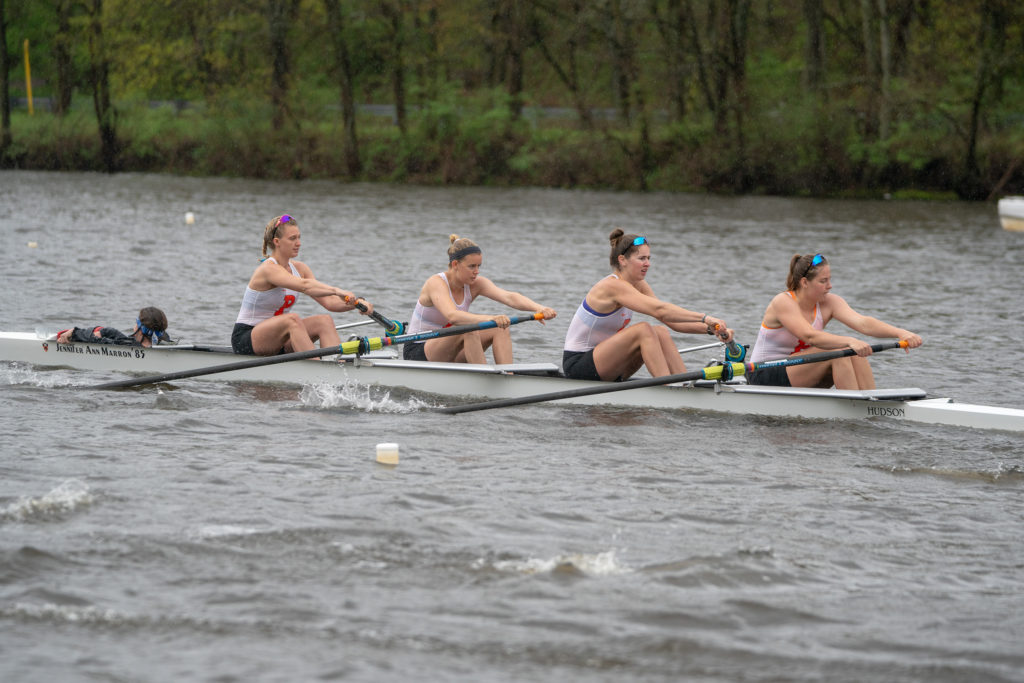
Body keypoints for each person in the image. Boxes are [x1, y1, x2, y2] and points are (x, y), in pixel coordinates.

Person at [562, 229, 734, 381]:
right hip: (578, 365)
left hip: (608, 363)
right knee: (644, 329)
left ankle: (682, 386)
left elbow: (670, 321)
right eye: (642, 258)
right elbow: (661, 310)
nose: (648, 264)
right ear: (622, 260)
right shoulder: (611, 286)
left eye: (649, 258)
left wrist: (712, 329)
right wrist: (704, 318)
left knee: (660, 331)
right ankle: (668, 388)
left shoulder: (639, 285)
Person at [747, 253, 923, 389]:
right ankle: (856, 411)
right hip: (764, 373)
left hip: (799, 370)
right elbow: (810, 337)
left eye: (829, 279)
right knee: (841, 351)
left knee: (852, 351)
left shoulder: (829, 302)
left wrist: (901, 333)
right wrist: (850, 340)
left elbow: (863, 323)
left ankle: (872, 403)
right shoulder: (783, 301)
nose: (829, 286)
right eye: (823, 281)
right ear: (804, 282)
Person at [232, 214, 375, 356]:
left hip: (279, 339)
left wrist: (357, 303)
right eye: (292, 238)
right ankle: (317, 371)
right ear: (277, 241)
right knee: (292, 319)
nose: (298, 243)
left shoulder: (300, 269)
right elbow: (305, 286)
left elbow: (330, 302)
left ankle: (336, 369)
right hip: (247, 338)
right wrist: (337, 290)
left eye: (299, 237)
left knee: (324, 321)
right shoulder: (268, 269)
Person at [403, 234, 557, 364]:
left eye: (479, 266)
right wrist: (492, 317)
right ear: (455, 264)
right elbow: (453, 316)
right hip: (418, 350)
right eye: (472, 266)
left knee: (499, 328)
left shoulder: (476, 284)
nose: (476, 271)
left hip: (449, 347)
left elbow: (509, 297)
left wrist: (538, 308)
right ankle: (484, 378)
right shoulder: (436, 283)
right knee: (469, 327)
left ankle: (508, 378)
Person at [57, 307, 171, 347]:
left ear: (141, 328)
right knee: (107, 331)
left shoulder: (126, 345)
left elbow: (97, 341)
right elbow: (116, 335)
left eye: (137, 321)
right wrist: (104, 331)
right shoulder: (163, 342)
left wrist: (74, 332)